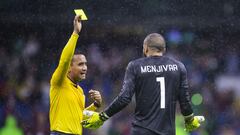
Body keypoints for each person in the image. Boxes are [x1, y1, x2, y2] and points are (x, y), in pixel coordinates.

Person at [82, 33, 204, 135]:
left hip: (142, 130)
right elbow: (184, 100)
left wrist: (102, 117)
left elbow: (124, 98)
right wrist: (189, 119)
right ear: (164, 50)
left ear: (145, 48)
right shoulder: (178, 67)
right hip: (168, 132)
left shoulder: (135, 66)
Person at [49, 15, 102, 135]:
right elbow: (64, 60)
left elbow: (80, 117)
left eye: (85, 64)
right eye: (80, 64)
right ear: (69, 69)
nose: (85, 68)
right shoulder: (59, 82)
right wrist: (75, 33)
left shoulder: (80, 91)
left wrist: (96, 105)